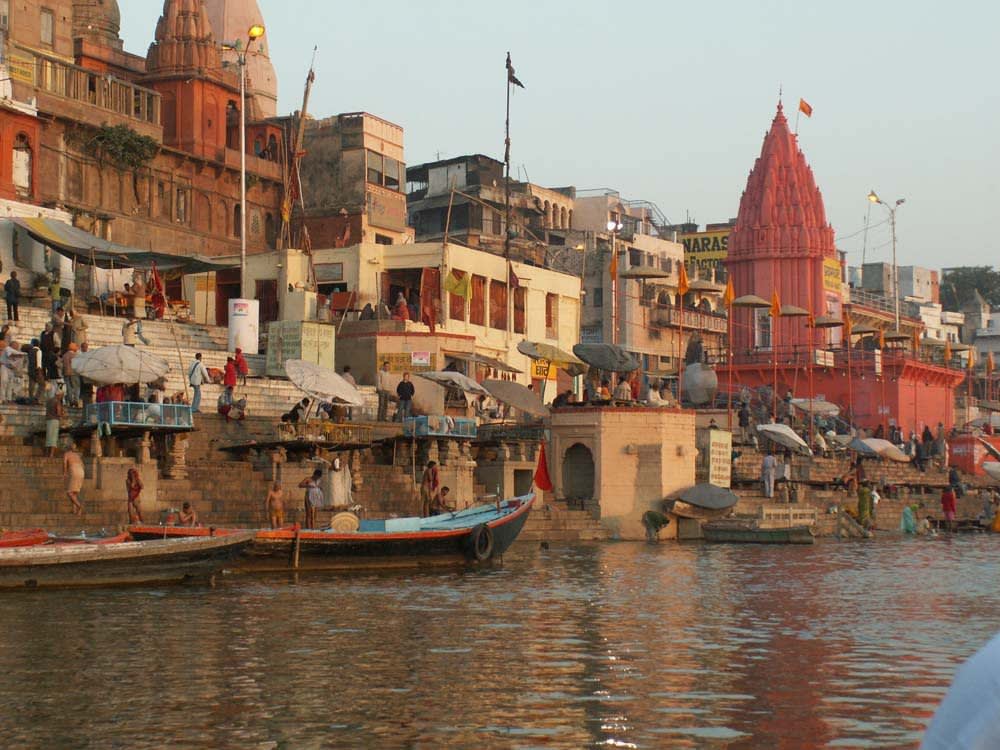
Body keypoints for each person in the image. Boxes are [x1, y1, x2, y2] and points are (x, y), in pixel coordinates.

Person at [63, 443, 85, 516]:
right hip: (81, 471)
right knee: (74, 492)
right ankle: (74, 510)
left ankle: (80, 507)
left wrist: (65, 472)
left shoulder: (66, 454)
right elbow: (82, 465)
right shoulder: (77, 455)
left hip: (74, 470)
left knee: (69, 493)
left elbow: (64, 463)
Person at [44, 386, 64, 457]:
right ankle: (51, 455)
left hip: (48, 420)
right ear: (59, 395)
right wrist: (62, 414)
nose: (62, 397)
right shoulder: (57, 402)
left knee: (48, 437)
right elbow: (58, 412)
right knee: (53, 438)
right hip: (55, 420)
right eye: (62, 396)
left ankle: (46, 453)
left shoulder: (49, 401)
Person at [62, 343, 80, 408]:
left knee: (68, 388)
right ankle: (76, 401)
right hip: (74, 373)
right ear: (73, 348)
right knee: (76, 387)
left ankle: (70, 401)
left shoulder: (64, 355)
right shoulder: (75, 355)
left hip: (66, 373)